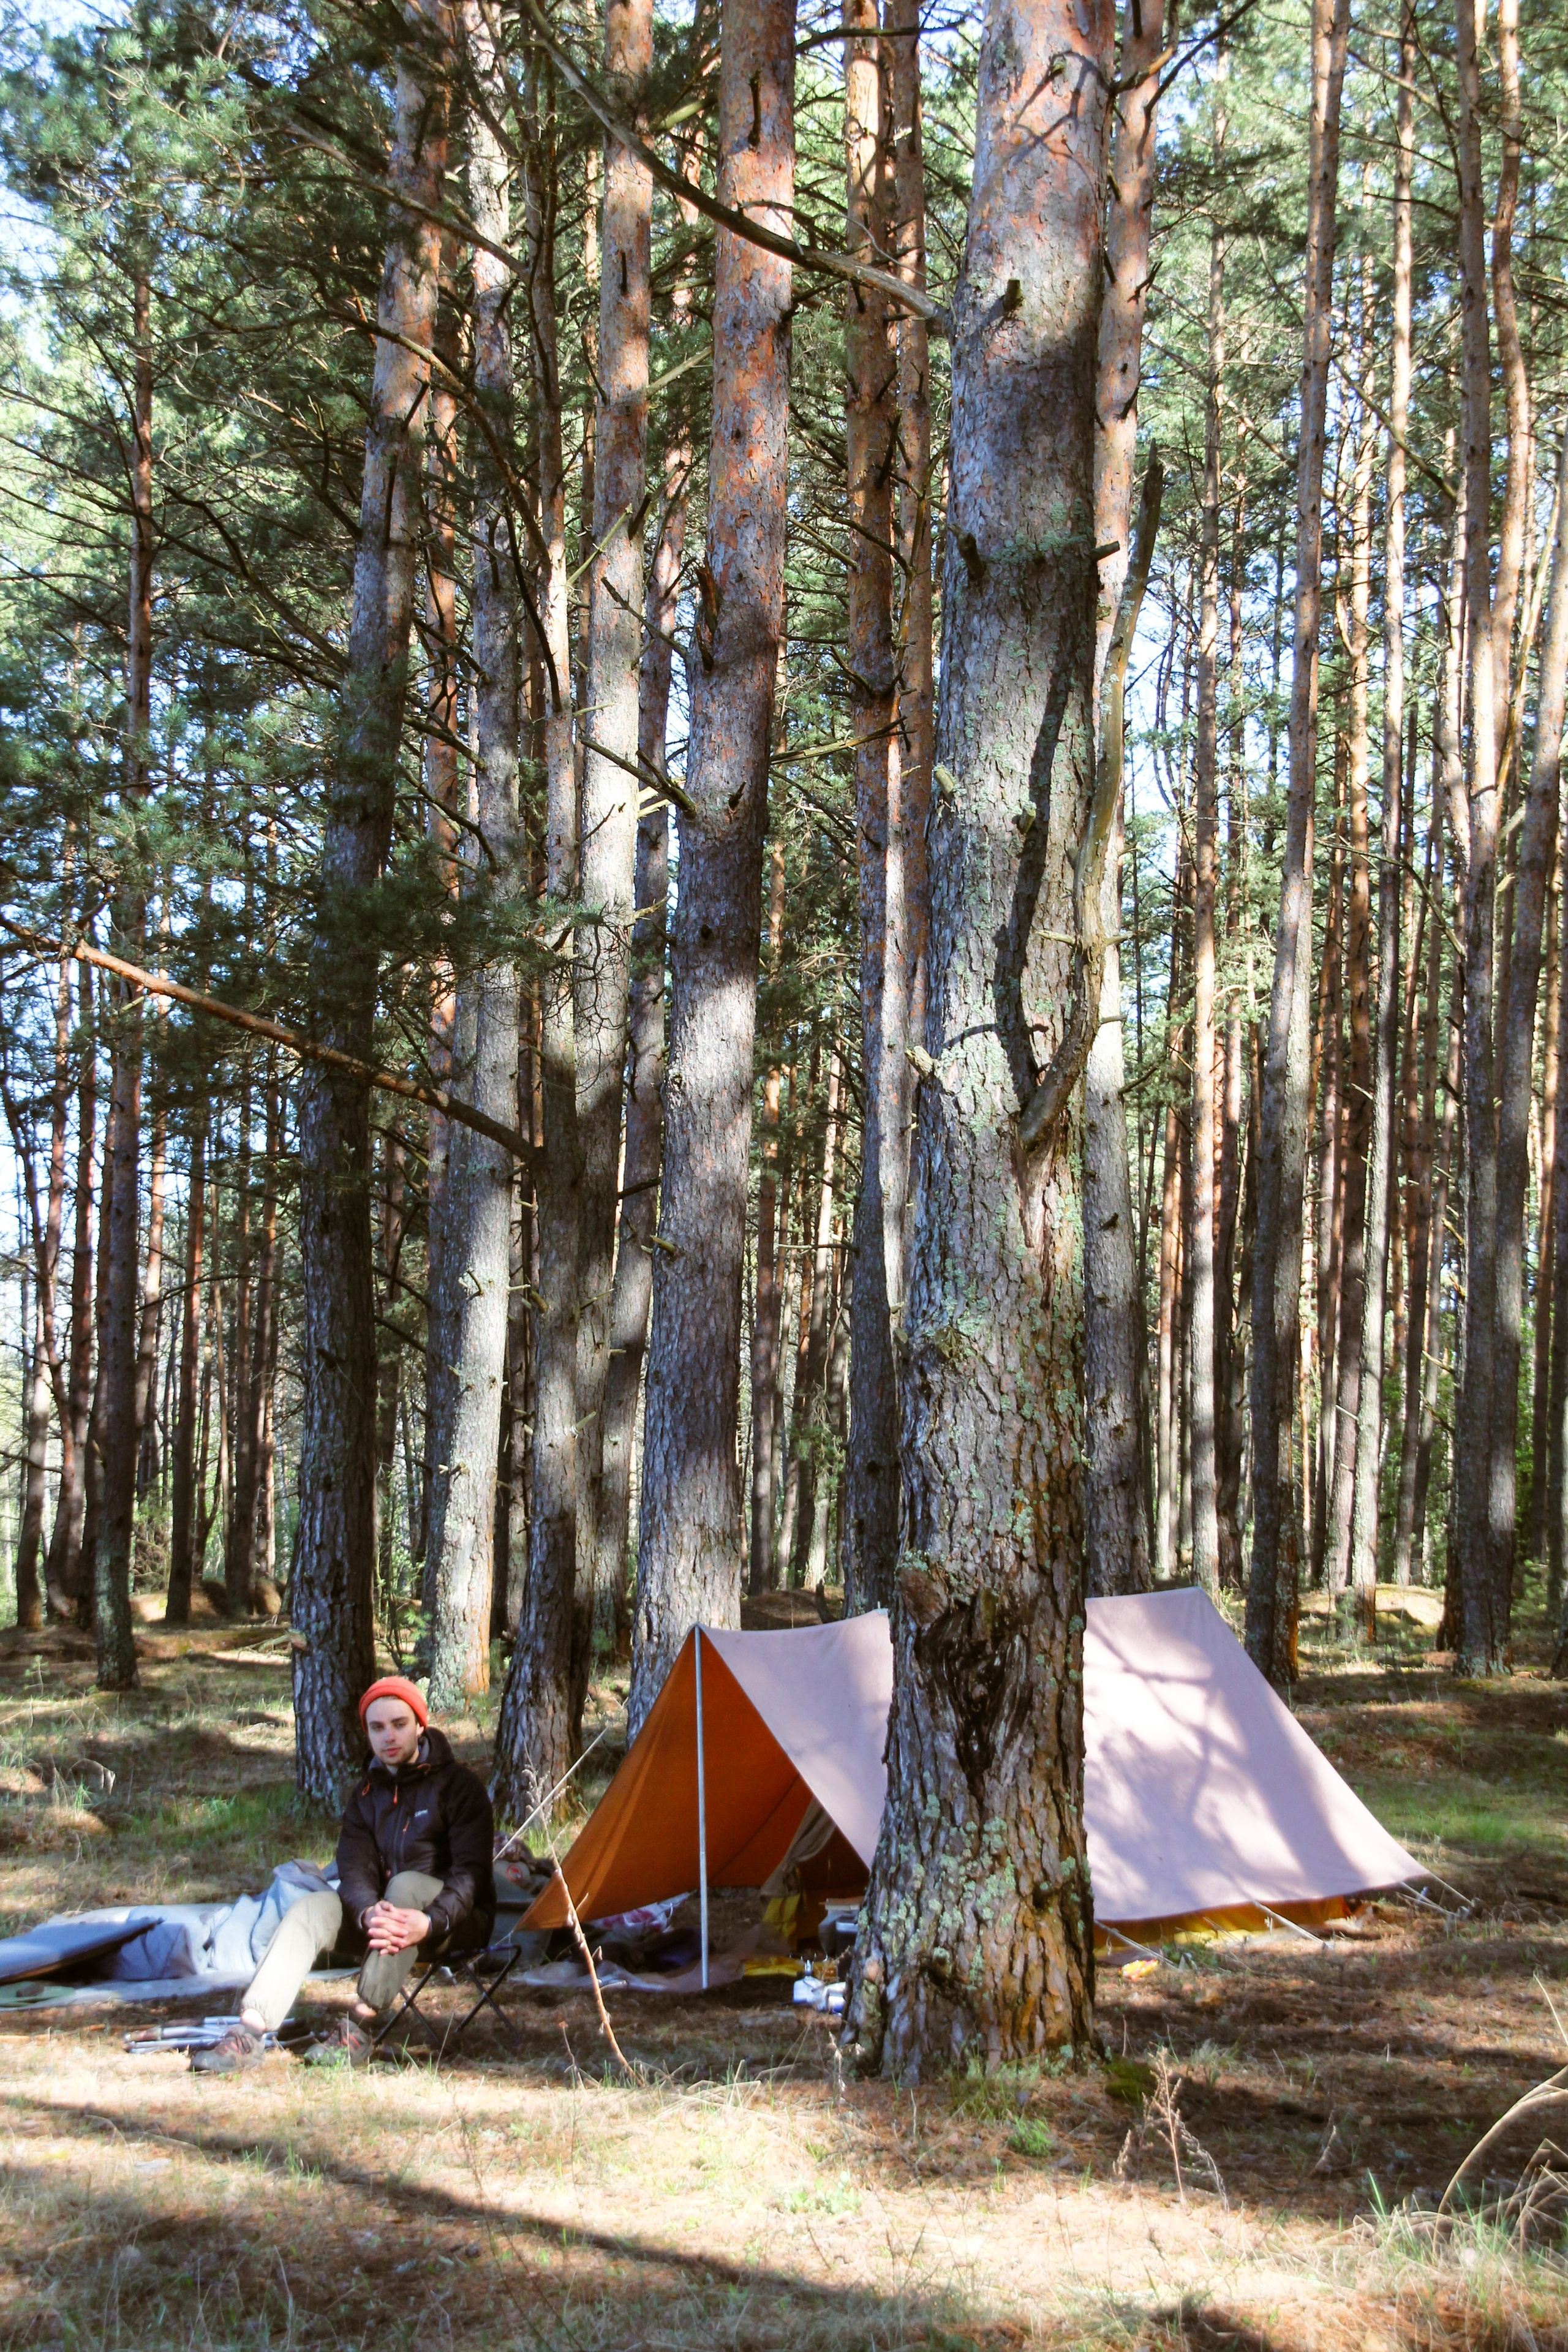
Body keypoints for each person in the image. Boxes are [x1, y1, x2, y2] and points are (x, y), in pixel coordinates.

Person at [193, 1676, 496, 2074]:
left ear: (421, 1725)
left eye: (399, 1724)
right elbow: (354, 1870)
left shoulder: (459, 1787)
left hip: (454, 1923)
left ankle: (358, 2027)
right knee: (312, 1907)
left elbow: (471, 1875)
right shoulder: (366, 1795)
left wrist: (430, 1920)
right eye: (377, 1727)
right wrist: (367, 1913)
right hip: (389, 1921)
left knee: (405, 1885)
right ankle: (250, 2033)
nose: (388, 1736)